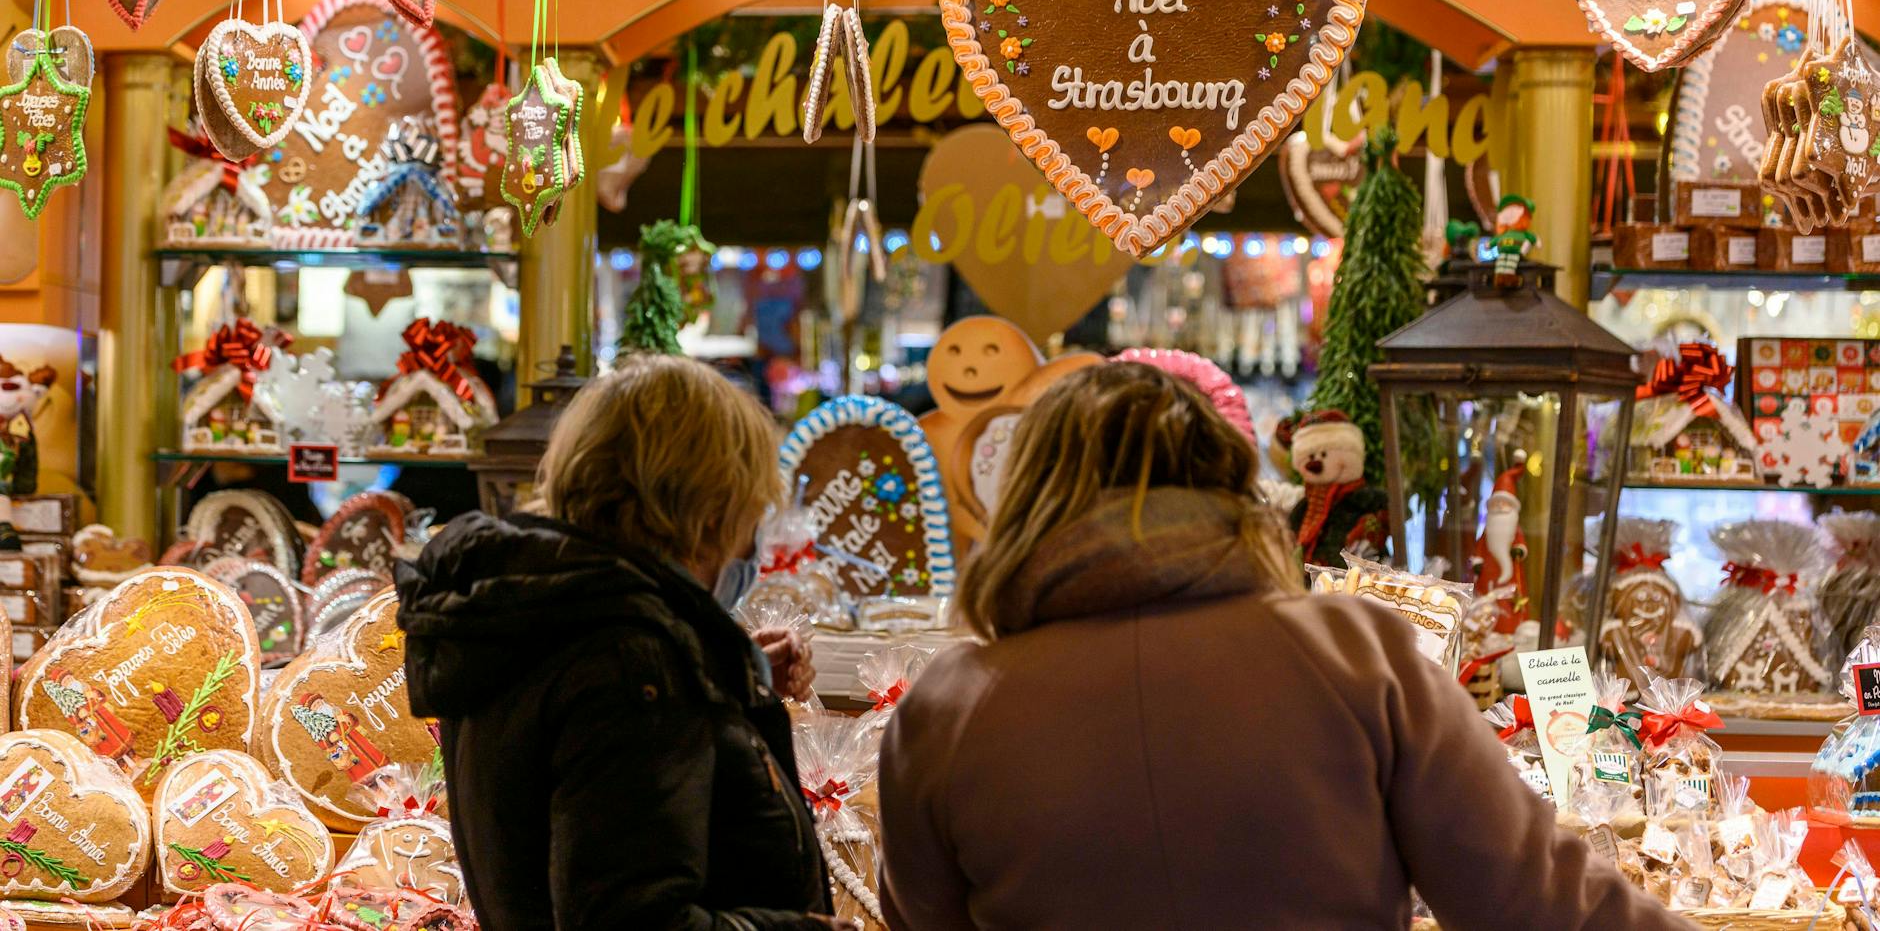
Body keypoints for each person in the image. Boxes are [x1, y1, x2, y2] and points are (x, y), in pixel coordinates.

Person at [877, 361, 1692, 931]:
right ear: (1232, 487)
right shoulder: (1356, 653)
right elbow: (1539, 903)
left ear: (1025, 504)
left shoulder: (946, 710)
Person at [396, 354, 852, 931]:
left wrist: (725, 671)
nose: (748, 540)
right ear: (708, 509)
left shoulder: (532, 609)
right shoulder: (632, 663)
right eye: (747, 508)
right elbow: (630, 916)